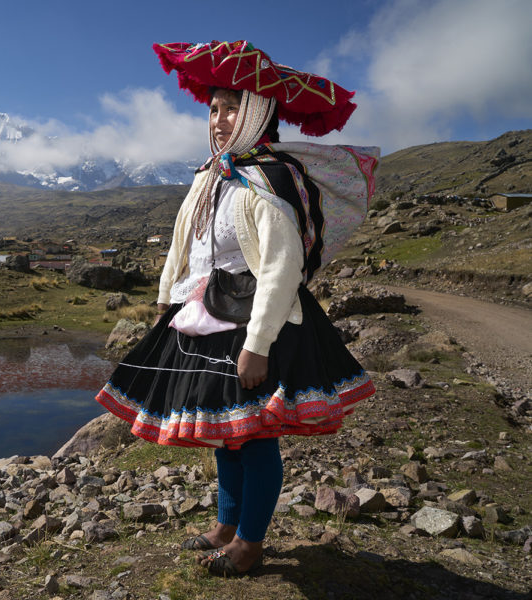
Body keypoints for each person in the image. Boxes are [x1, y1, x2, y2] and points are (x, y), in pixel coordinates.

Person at [95, 40, 380, 577]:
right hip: (203, 319)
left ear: (256, 114)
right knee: (224, 432)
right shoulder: (208, 176)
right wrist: (165, 300)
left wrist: (257, 346)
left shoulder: (269, 180)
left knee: (254, 438)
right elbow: (185, 245)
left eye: (231, 108)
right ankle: (226, 526)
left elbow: (281, 269)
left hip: (254, 325)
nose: (219, 120)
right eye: (213, 109)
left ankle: (250, 544)